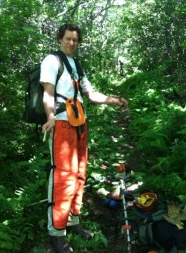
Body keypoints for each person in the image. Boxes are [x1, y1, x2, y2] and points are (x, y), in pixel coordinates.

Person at [40, 23, 128, 253]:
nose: (71, 43)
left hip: (80, 124)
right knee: (62, 177)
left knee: (79, 174)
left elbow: (90, 95)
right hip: (61, 123)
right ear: (60, 39)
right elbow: (48, 93)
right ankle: (57, 233)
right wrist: (49, 116)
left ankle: (73, 221)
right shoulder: (52, 61)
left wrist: (113, 99)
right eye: (68, 38)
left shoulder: (77, 64)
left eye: (75, 40)